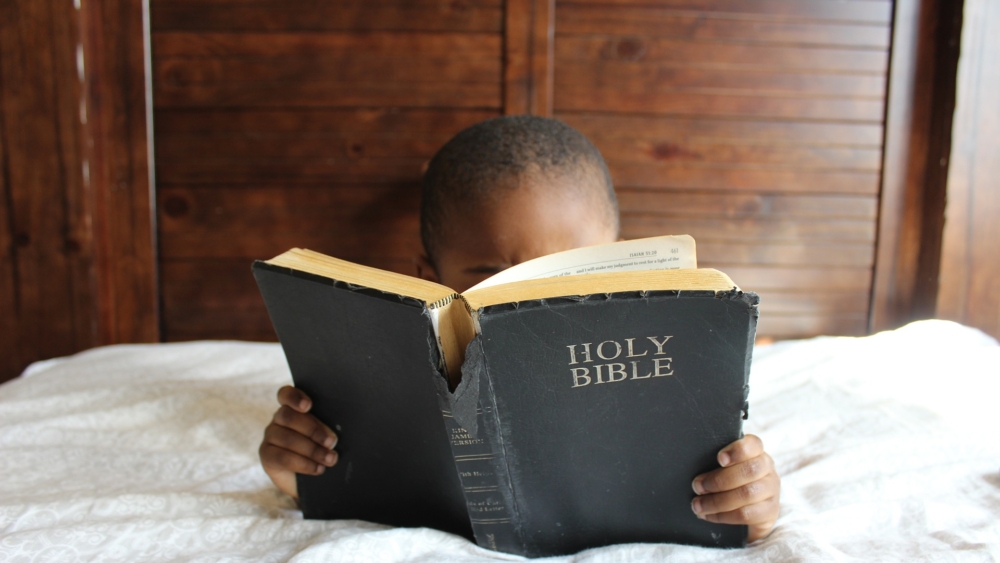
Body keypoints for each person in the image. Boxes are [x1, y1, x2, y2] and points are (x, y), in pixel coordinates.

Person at [258, 115, 781, 543]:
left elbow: (734, 497)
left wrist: (748, 504)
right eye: (494, 278)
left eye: (572, 272)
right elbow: (349, 479)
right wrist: (301, 471)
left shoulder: (669, 370)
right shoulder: (388, 378)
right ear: (427, 278)